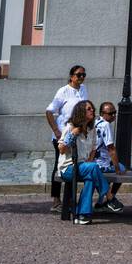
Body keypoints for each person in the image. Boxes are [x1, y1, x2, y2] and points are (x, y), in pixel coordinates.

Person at [58, 100, 110, 224]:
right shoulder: (70, 127)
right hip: (68, 168)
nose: (92, 110)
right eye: (89, 109)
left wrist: (88, 163)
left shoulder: (92, 130)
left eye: (92, 108)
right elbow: (61, 150)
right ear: (81, 112)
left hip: (83, 167)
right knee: (93, 168)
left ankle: (83, 214)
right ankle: (109, 197)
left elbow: (93, 149)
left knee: (91, 177)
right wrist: (72, 134)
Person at [44, 64, 87, 211]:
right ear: (71, 76)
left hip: (77, 134)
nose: (81, 77)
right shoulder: (63, 91)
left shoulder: (84, 89)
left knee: (75, 163)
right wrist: (56, 131)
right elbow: (49, 111)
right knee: (59, 164)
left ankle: (70, 199)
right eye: (78, 74)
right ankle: (56, 200)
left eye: (83, 75)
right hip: (63, 134)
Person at [94, 102, 125, 213]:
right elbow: (111, 148)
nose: (113, 115)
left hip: (93, 162)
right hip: (102, 164)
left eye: (115, 112)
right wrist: (117, 169)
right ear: (102, 113)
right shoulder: (105, 125)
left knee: (109, 177)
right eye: (110, 113)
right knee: (121, 169)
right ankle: (110, 199)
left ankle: (100, 203)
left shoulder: (96, 122)